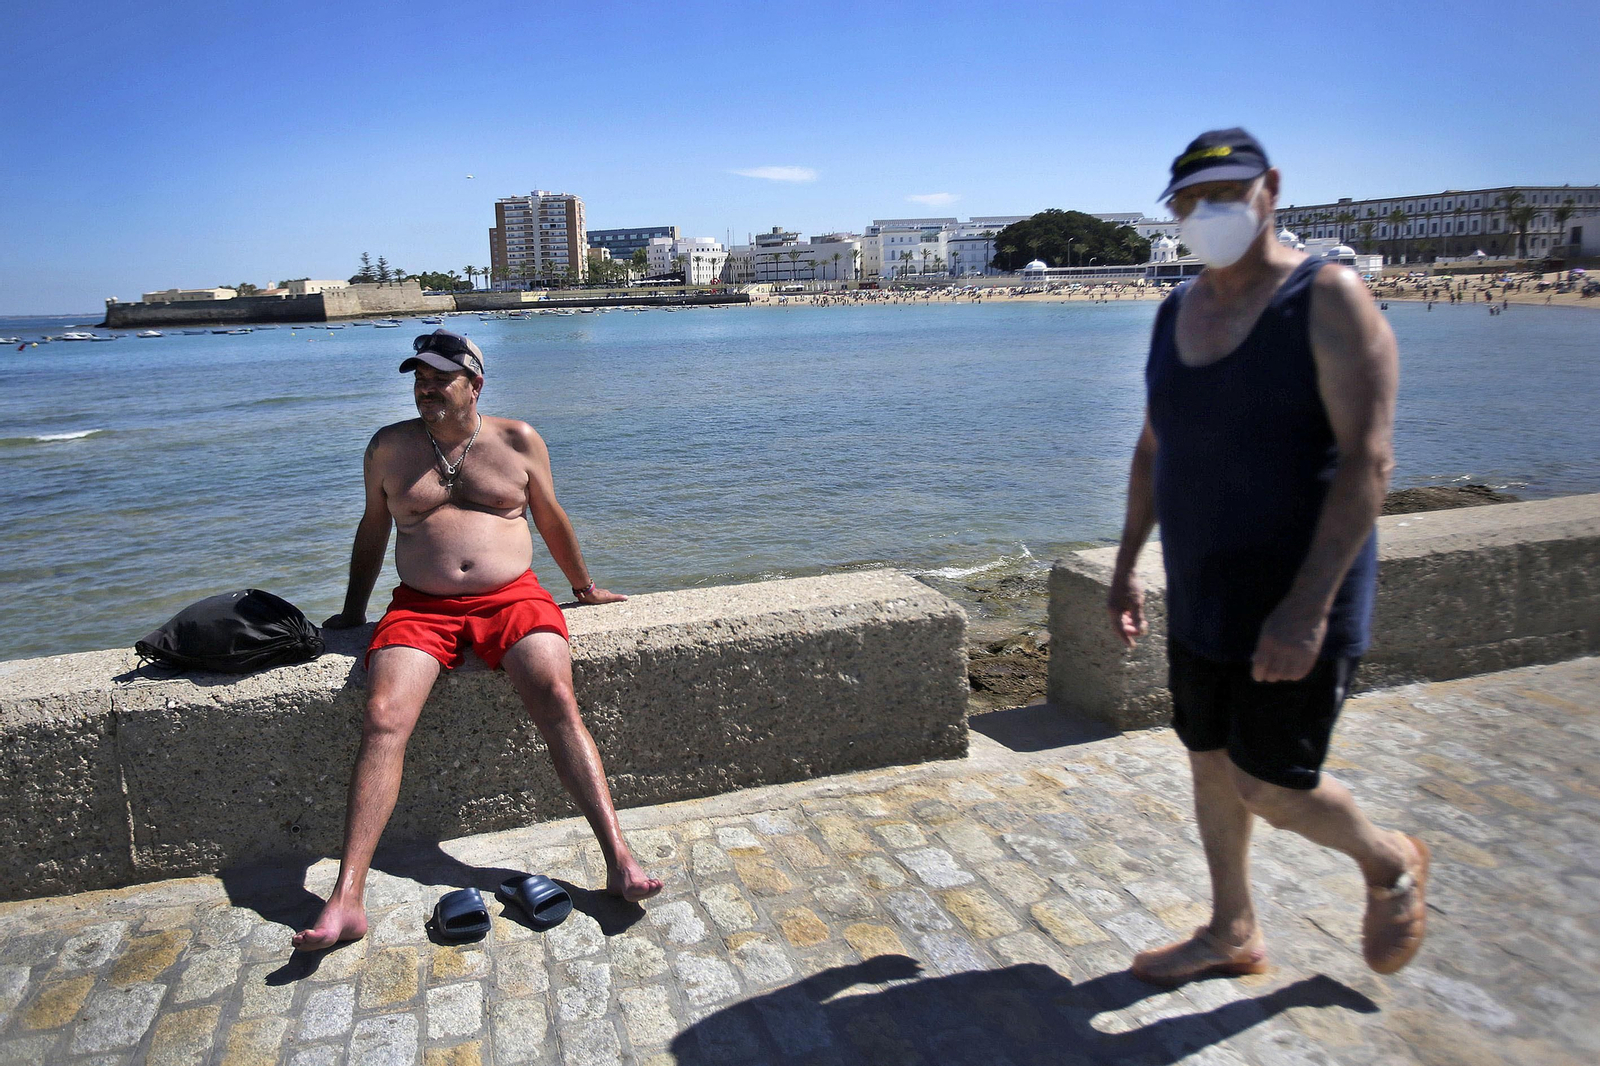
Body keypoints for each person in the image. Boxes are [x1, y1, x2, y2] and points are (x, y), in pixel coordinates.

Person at [1106, 130, 1429, 985]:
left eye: (1223, 196)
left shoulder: (1328, 300)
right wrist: (1128, 560)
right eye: (1187, 204)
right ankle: (1231, 930)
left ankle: (1388, 860)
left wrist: (1308, 606)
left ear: (1269, 189)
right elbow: (1152, 448)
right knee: (1210, 761)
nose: (1203, 217)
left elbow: (1370, 460)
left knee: (1272, 785)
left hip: (1296, 594)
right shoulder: (1176, 311)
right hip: (1204, 587)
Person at [293, 329, 661, 951]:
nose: (426, 387)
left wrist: (585, 586)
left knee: (556, 696)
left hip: (513, 597)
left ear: (475, 384)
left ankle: (619, 858)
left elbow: (549, 517)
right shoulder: (388, 448)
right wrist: (353, 613)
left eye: (440, 377)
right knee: (383, 716)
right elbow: (372, 531)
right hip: (421, 608)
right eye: (419, 377)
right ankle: (346, 898)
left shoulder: (517, 440)